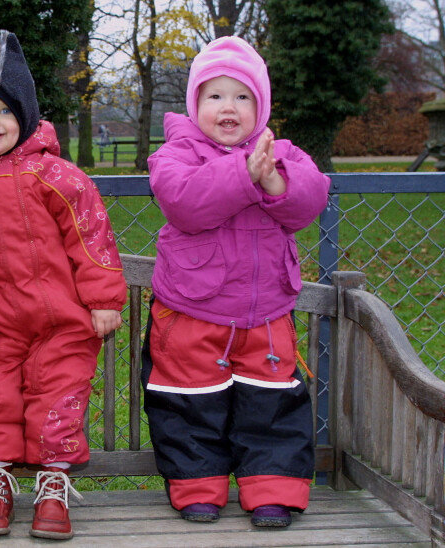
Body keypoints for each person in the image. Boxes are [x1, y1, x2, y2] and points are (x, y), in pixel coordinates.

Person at [0, 30, 128, 540]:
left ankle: (52, 487)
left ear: (27, 117)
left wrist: (102, 299)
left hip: (61, 320)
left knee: (58, 399)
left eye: (4, 111)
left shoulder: (59, 176)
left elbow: (92, 238)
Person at [142, 36, 331, 528]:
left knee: (270, 403)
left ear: (261, 106)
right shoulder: (175, 153)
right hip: (190, 313)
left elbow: (310, 199)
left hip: (266, 316)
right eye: (216, 96)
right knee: (190, 401)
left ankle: (272, 490)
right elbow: (185, 202)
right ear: (195, 104)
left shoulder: (281, 152)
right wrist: (244, 174)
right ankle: (196, 488)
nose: (229, 107)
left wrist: (273, 180)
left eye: (243, 97)